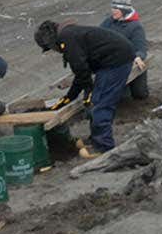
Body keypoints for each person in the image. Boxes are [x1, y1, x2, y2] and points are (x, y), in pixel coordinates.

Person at [34, 20, 134, 158]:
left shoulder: (67, 38)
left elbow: (81, 71)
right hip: (110, 60)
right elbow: (81, 73)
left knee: (100, 103)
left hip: (116, 61)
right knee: (95, 100)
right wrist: (70, 97)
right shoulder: (69, 34)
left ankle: (103, 147)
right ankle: (96, 139)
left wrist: (84, 92)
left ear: (50, 41)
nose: (54, 51)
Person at [99, 0, 149, 100]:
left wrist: (138, 56)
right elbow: (98, 36)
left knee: (139, 94)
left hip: (128, 60)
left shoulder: (135, 27)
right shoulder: (108, 22)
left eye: (117, 8)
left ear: (124, 10)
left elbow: (141, 48)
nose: (113, 10)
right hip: (110, 60)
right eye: (113, 7)